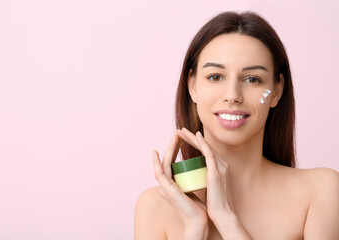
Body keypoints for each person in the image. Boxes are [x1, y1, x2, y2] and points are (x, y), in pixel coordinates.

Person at [134, 11, 339, 240]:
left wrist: (226, 218)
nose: (232, 96)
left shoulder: (321, 191)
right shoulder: (154, 208)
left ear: (277, 91)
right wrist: (194, 229)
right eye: (215, 77)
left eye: (253, 79)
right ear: (192, 86)